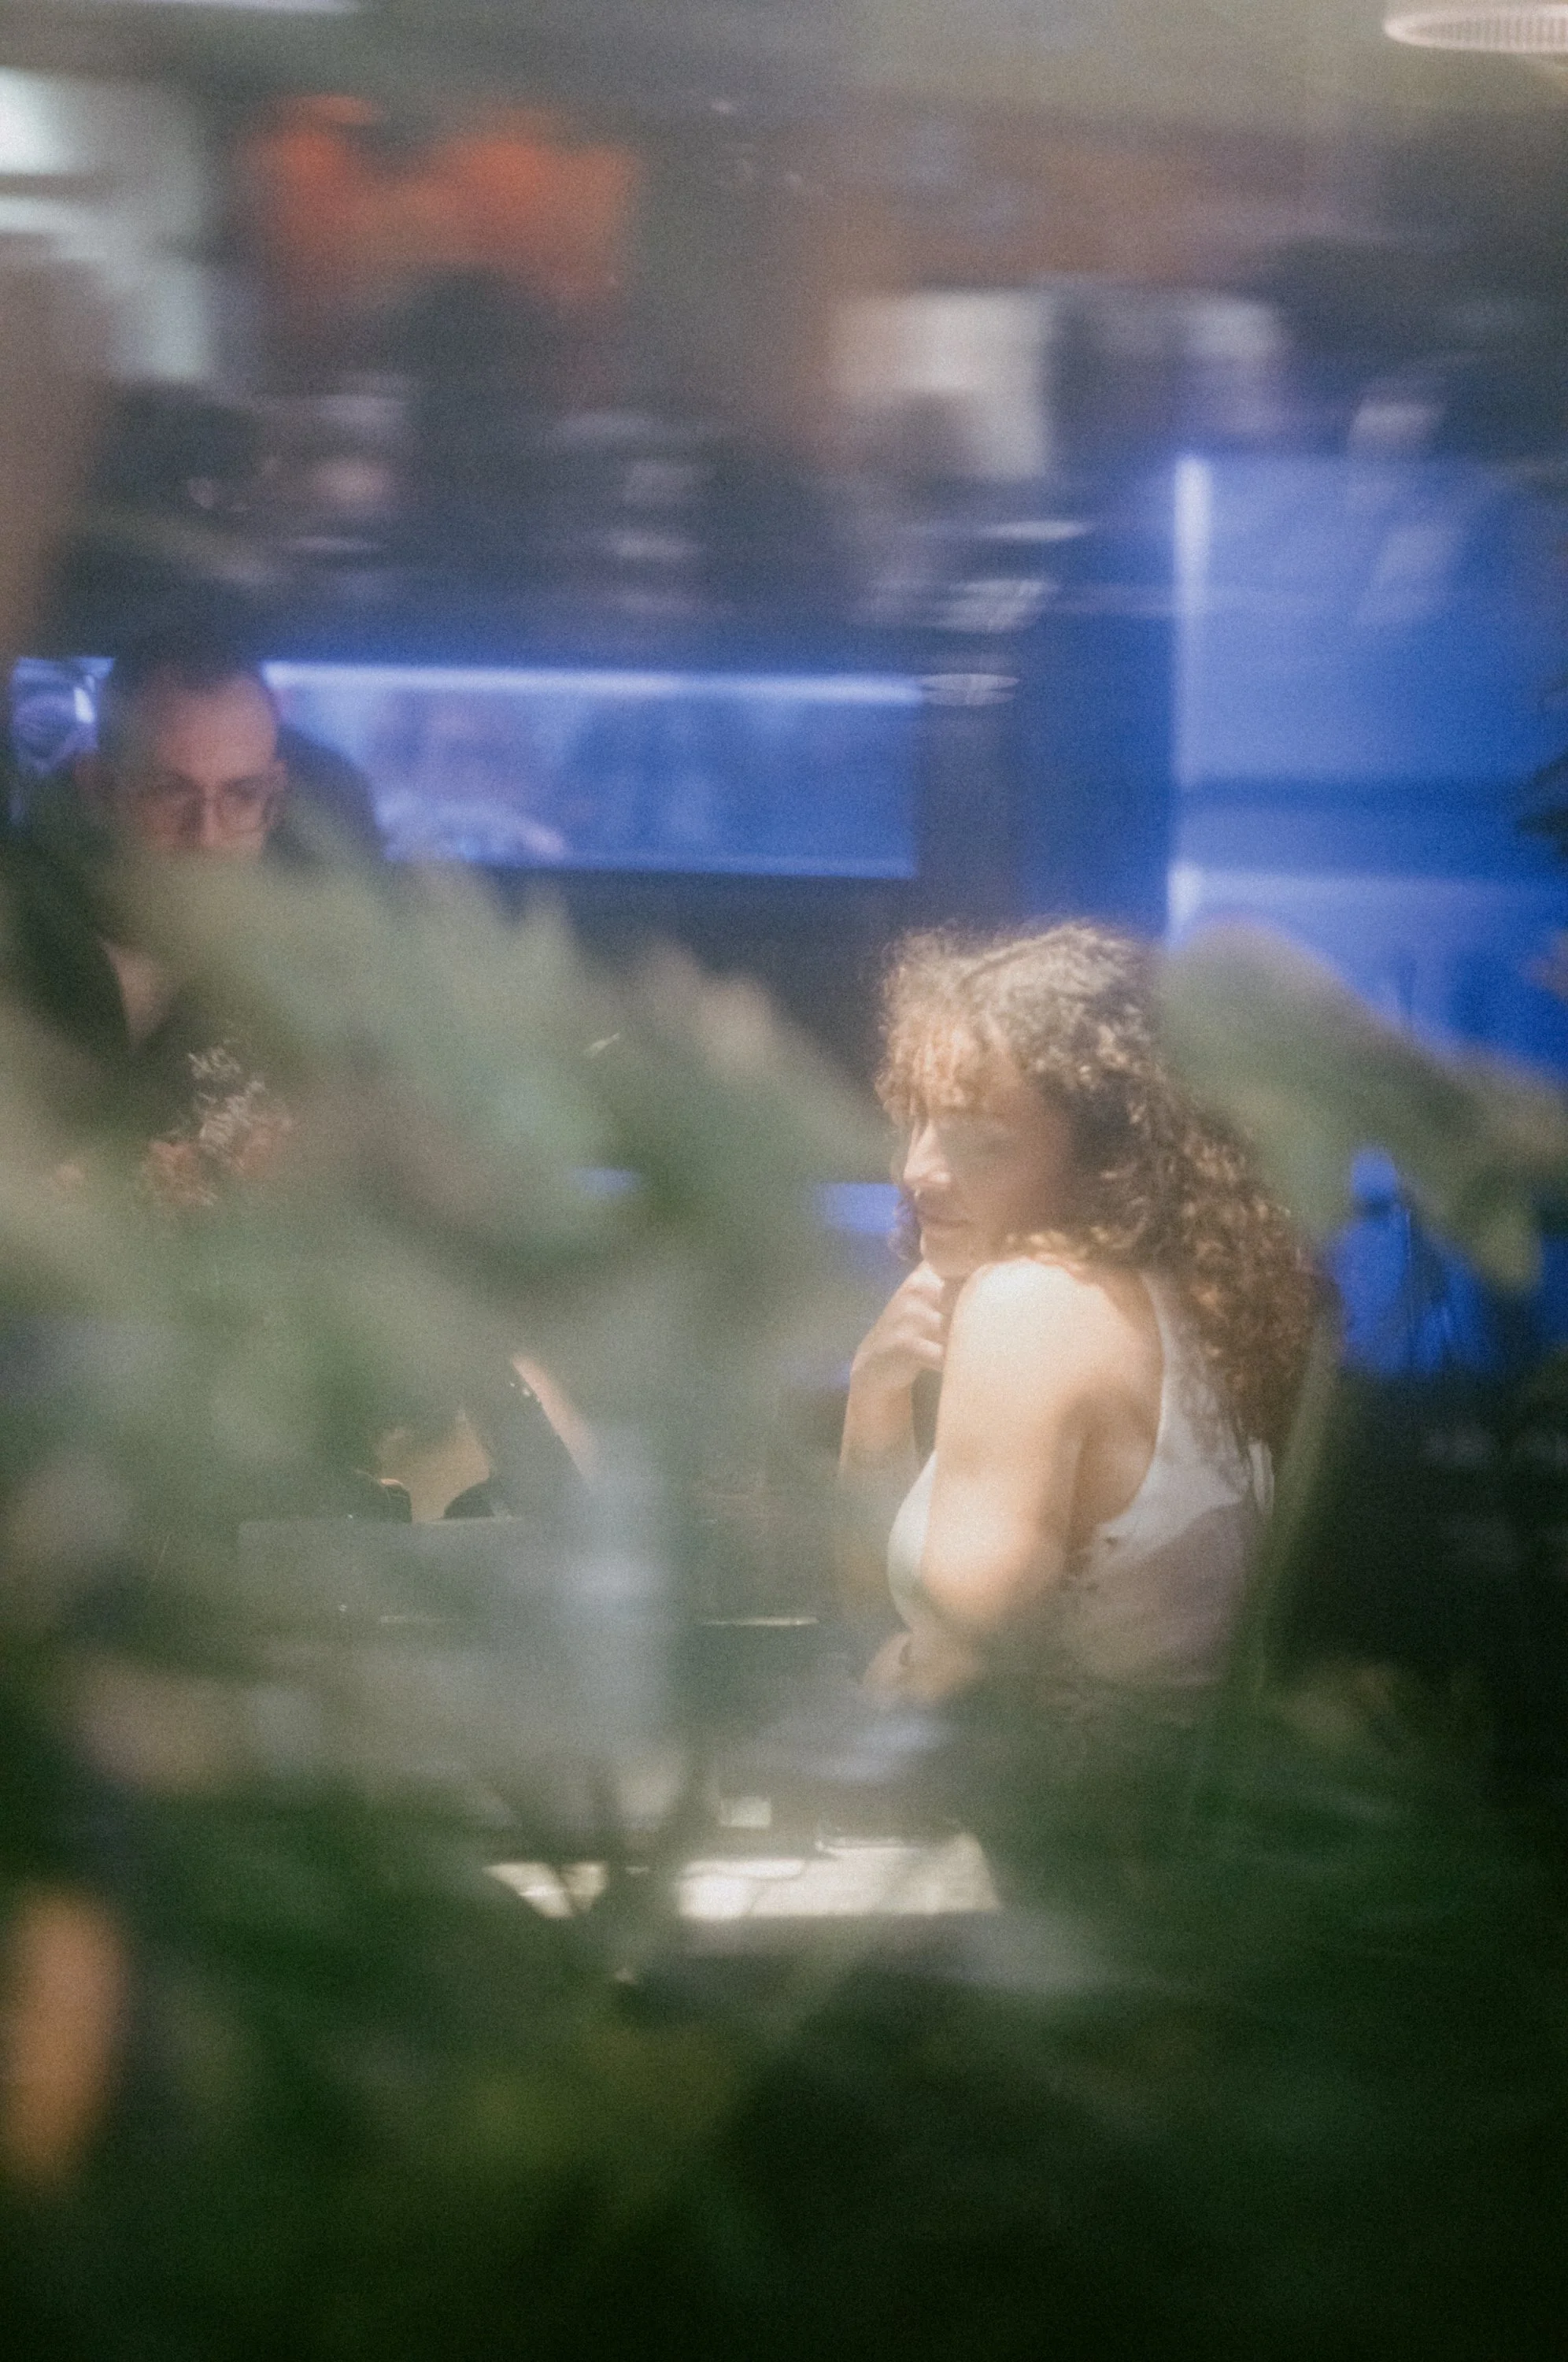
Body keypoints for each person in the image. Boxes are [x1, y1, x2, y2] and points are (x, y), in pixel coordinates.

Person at [839, 923, 1318, 1715]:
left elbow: (959, 1691)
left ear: (1104, 1162)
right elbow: (893, 1609)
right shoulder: (1185, 1297)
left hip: (1042, 1797)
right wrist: (876, 1393)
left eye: (979, 1143)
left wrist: (883, 1679)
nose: (917, 1170)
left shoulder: (1032, 1305)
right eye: (917, 1120)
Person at [1, 630, 381, 1145]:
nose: (207, 837)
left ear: (275, 791)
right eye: (168, 792)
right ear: (98, 789)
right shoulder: (16, 940)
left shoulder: (326, 976)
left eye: (242, 795)